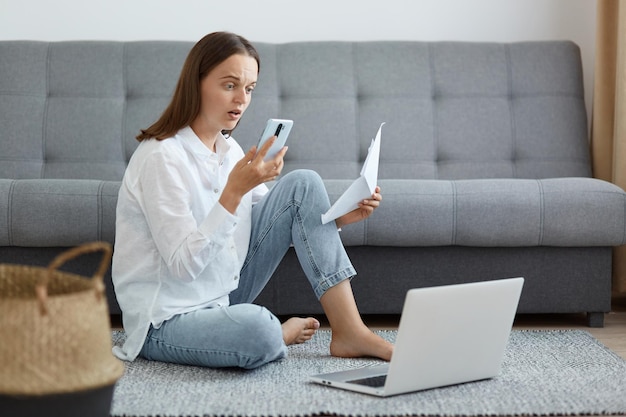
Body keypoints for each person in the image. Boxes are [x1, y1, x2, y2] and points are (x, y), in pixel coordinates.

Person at [111, 31, 393, 369]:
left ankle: (350, 331)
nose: (241, 100)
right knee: (259, 329)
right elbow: (183, 267)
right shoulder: (162, 156)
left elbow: (284, 220)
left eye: (249, 89)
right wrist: (233, 192)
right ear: (195, 83)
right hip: (167, 318)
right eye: (229, 85)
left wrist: (340, 218)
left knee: (303, 184)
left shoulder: (230, 150)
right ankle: (277, 333)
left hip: (222, 295)